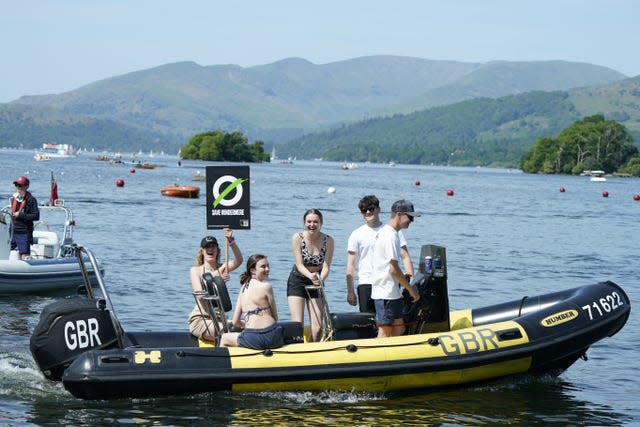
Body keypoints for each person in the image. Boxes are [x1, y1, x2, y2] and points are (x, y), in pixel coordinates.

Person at [346, 195, 415, 312]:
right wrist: (350, 291)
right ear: (361, 213)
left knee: (391, 321)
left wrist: (411, 279)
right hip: (366, 283)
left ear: (378, 209)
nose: (368, 212)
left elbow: (405, 256)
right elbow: (351, 265)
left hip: (388, 283)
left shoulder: (393, 230)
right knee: (369, 322)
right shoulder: (356, 234)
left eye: (371, 208)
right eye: (364, 210)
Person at [371, 199, 421, 338]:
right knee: (386, 331)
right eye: (410, 217)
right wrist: (411, 290)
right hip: (385, 292)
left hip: (392, 292)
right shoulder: (390, 236)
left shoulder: (392, 234)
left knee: (399, 329)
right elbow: (393, 269)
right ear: (399, 214)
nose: (412, 221)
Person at [287, 208, 335, 342]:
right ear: (304, 222)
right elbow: (299, 264)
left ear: (321, 223)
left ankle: (312, 347)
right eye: (309, 222)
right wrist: (310, 276)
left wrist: (321, 279)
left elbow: (326, 266)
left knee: (317, 328)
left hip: (317, 281)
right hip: (298, 280)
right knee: (298, 325)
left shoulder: (328, 240)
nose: (312, 225)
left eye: (315, 222)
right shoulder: (297, 237)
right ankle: (298, 350)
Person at [188, 228, 243, 342]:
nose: (210, 249)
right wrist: (217, 278)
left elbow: (239, 260)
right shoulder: (195, 270)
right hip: (202, 319)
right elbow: (199, 295)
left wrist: (231, 241)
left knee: (245, 327)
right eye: (207, 247)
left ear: (217, 250)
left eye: (213, 246)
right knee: (229, 333)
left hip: (219, 319)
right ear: (202, 251)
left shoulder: (222, 267)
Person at [220, 254, 284, 349]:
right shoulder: (267, 286)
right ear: (252, 270)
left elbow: (235, 322)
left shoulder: (243, 289)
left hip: (253, 338)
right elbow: (275, 317)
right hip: (272, 336)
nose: (267, 269)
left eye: (268, 266)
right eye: (263, 266)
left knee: (224, 338)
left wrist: (245, 324)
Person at [10, 176, 40, 260]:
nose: (18, 188)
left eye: (20, 186)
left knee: (24, 255)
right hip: (13, 231)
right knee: (7, 251)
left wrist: (20, 215)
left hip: (24, 232)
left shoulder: (31, 200)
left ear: (26, 187)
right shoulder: (13, 199)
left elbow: (36, 216)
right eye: (16, 185)